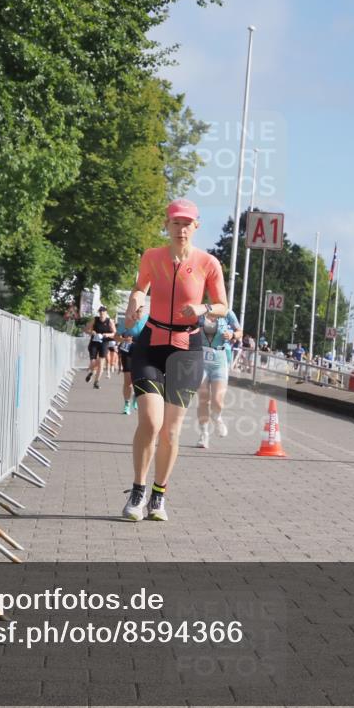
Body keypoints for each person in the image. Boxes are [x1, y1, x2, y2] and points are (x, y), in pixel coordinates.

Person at [122, 198, 227, 522]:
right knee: (150, 422)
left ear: (196, 227)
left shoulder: (208, 263)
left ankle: (158, 496)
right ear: (166, 225)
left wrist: (202, 308)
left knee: (170, 431)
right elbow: (140, 288)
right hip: (151, 344)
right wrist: (134, 303)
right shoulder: (152, 257)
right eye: (176, 223)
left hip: (186, 350)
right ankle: (137, 491)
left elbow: (222, 305)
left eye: (187, 224)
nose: (181, 229)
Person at [195, 309, 242, 448]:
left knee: (218, 400)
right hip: (201, 358)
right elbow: (188, 329)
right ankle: (203, 435)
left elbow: (240, 332)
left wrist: (233, 334)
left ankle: (216, 417)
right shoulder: (201, 311)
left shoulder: (227, 313)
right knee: (203, 399)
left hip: (220, 360)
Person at [84, 306, 115, 389]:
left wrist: (107, 334)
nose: (101, 314)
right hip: (94, 342)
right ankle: (91, 372)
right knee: (93, 362)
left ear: (106, 313)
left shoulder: (109, 321)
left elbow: (114, 333)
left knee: (101, 363)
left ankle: (96, 382)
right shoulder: (95, 319)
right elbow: (86, 329)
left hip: (104, 343)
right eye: (100, 312)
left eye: (103, 312)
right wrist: (91, 332)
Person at [116, 331, 136, 414]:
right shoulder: (122, 345)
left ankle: (136, 396)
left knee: (137, 384)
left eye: (128, 336)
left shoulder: (135, 345)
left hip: (137, 365)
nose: (126, 338)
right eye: (125, 337)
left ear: (132, 337)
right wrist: (119, 367)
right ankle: (127, 404)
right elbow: (119, 356)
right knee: (128, 384)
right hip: (127, 365)